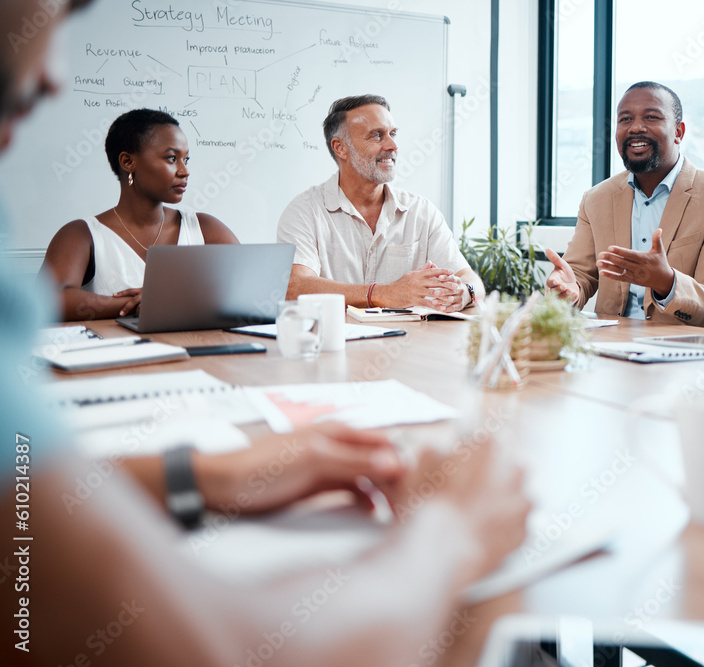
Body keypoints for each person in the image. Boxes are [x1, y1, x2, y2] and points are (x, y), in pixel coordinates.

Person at [0, 2, 530, 665]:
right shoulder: (89, 231)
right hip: (161, 371)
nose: (53, 77)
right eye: (171, 157)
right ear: (126, 163)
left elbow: (25, 498)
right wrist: (453, 531)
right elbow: (234, 649)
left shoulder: (225, 222)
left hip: (360, 363)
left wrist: (203, 472)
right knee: (488, 612)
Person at [545, 81, 704, 330]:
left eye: (651, 117)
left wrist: (667, 282)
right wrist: (570, 290)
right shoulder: (596, 199)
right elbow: (579, 275)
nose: (635, 128)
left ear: (678, 132)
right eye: (625, 119)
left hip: (691, 356)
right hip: (612, 349)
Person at [277, 94, 484, 311]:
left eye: (393, 134)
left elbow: (470, 279)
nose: (393, 145)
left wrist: (465, 292)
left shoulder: (421, 211)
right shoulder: (304, 211)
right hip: (335, 342)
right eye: (377, 136)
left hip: (410, 343)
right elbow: (295, 287)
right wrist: (385, 293)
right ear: (340, 148)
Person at [40, 108, 239, 322]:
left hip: (200, 353)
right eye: (172, 158)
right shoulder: (81, 234)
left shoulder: (205, 228)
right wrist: (151, 302)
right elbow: (48, 301)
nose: (184, 171)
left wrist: (170, 298)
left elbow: (249, 289)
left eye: (186, 159)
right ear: (127, 162)